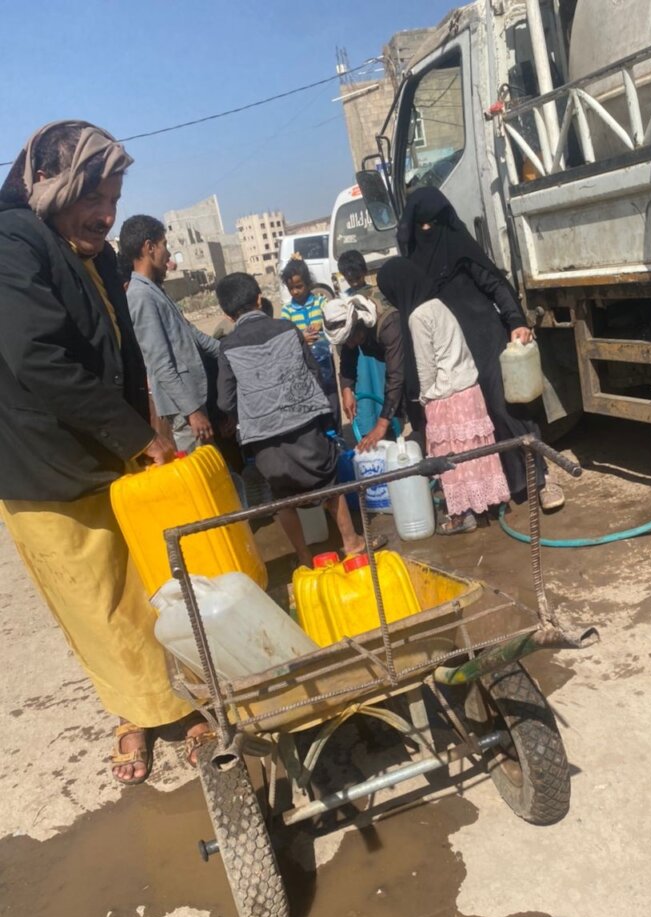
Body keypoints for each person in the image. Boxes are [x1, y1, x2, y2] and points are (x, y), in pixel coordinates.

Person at [0, 119, 209, 784]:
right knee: (97, 606)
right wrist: (138, 436)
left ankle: (167, 698)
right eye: (94, 196)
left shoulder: (91, 251)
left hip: (109, 446)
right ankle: (143, 714)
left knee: (151, 585)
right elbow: (37, 357)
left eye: (115, 199)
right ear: (47, 182)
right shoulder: (12, 240)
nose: (107, 213)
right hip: (44, 463)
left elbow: (123, 350)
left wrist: (149, 423)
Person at [397, 187, 565, 511]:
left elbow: (495, 285)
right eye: (421, 225)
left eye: (434, 223)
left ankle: (542, 478)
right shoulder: (413, 264)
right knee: (470, 421)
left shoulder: (460, 247)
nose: (428, 231)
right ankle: (497, 488)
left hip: (485, 340)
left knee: (504, 408)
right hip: (449, 354)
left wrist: (515, 320)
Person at [215, 273, 384, 566]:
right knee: (328, 481)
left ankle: (305, 556)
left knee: (283, 497)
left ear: (228, 315)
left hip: (264, 439)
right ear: (259, 299)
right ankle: (352, 542)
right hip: (305, 425)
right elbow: (313, 372)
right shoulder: (287, 329)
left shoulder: (228, 347)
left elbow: (225, 401)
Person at [378, 258, 509, 534]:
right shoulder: (438, 304)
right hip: (469, 391)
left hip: (446, 397)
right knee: (474, 454)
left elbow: (426, 367)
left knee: (450, 459)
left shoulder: (417, 317)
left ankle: (462, 516)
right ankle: (484, 505)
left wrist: (426, 399)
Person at [120, 214, 222, 454]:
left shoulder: (154, 290)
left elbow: (192, 334)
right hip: (184, 409)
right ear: (149, 247)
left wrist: (231, 349)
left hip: (192, 400)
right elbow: (160, 363)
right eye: (164, 245)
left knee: (211, 463)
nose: (168, 254)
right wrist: (192, 411)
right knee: (199, 469)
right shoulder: (140, 296)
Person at [322, 293, 406, 452]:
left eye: (350, 338)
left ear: (359, 323)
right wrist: (347, 390)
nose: (350, 345)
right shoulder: (352, 331)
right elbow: (347, 359)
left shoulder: (389, 324)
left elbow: (396, 376)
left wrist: (381, 425)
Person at [280, 257, 340, 428]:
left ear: (308, 283)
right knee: (312, 396)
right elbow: (286, 335)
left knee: (330, 393)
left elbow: (332, 319)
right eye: (291, 288)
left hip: (324, 358)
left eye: (299, 286)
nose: (295, 292)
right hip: (304, 362)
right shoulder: (287, 310)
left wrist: (322, 324)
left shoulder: (320, 302)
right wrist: (302, 338)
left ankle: (336, 430)